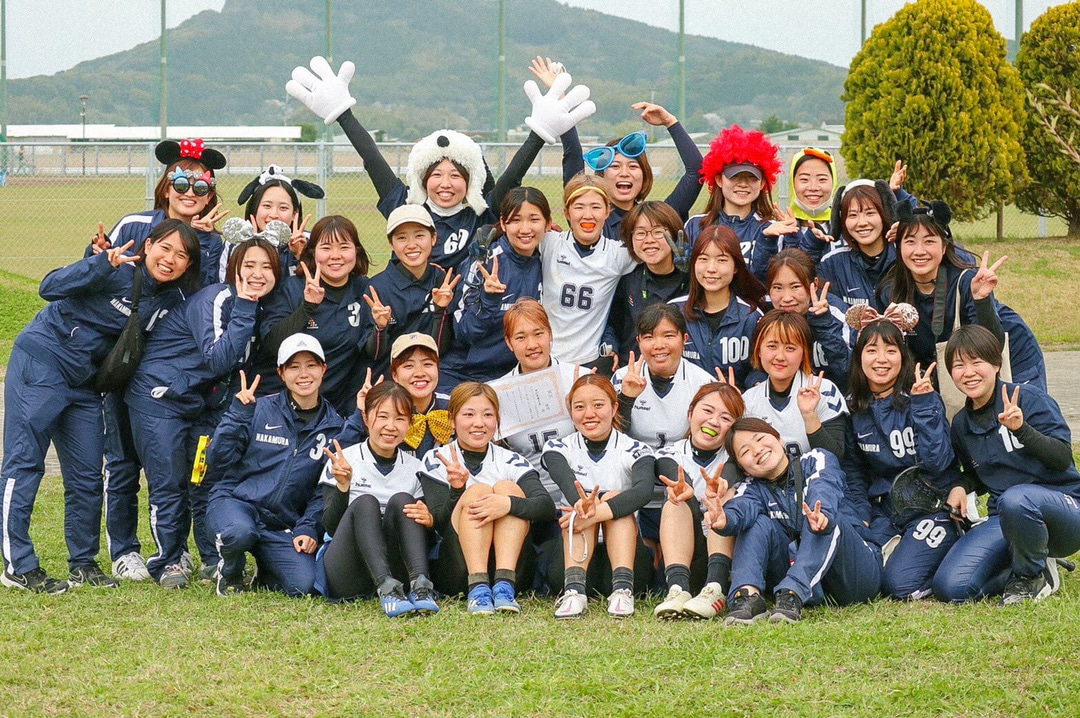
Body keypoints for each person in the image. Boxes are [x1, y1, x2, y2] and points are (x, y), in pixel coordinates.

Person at [1, 220, 201, 593]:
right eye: (165, 248)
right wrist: (99, 264)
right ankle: (18, 567)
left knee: (87, 476)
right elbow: (49, 287)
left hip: (86, 385)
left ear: (188, 265)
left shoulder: (170, 300)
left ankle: (83, 564)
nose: (170, 259)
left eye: (181, 255)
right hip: (43, 363)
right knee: (24, 464)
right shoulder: (115, 268)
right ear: (148, 245)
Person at [286, 55, 594, 273]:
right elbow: (372, 159)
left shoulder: (481, 215)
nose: (446, 184)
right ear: (422, 178)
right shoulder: (406, 208)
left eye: (456, 175)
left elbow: (513, 176)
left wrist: (538, 135)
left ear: (470, 181)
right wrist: (344, 115)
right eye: (436, 174)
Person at [88, 139, 229, 582]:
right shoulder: (135, 224)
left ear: (211, 195)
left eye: (201, 186)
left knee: (177, 466)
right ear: (166, 186)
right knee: (123, 462)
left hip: (172, 374)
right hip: (121, 363)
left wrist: (205, 243)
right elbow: (96, 275)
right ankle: (124, 550)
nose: (190, 192)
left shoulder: (214, 242)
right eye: (181, 182)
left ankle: (176, 552)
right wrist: (95, 254)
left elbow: (209, 301)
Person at [124, 235, 281, 588]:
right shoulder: (219, 298)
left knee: (202, 478)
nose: (257, 274)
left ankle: (211, 558)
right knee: (169, 482)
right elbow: (219, 359)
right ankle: (167, 562)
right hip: (159, 397)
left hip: (198, 404)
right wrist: (244, 306)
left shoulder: (258, 307)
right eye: (249, 265)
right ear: (234, 268)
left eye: (267, 267)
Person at [205, 334, 364, 597]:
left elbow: (322, 491)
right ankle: (231, 571)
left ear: (324, 369)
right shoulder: (257, 408)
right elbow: (217, 460)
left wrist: (308, 527)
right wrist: (236, 415)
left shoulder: (334, 426)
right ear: (281, 373)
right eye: (294, 367)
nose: (304, 374)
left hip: (280, 523)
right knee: (239, 533)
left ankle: (266, 569)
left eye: (311, 365)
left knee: (304, 584)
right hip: (236, 503)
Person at [933, 325, 1080, 604]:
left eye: (977, 362)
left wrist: (1022, 430)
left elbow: (1062, 459)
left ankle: (1032, 576)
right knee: (951, 587)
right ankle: (1031, 564)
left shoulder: (1028, 399)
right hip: (1005, 518)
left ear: (996, 364)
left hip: (1063, 511)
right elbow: (976, 473)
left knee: (1016, 498)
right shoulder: (962, 424)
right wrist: (961, 486)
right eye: (959, 365)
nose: (969, 372)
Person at [705, 418, 882, 624]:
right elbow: (742, 508)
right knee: (755, 523)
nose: (757, 450)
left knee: (821, 518)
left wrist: (822, 513)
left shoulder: (816, 459)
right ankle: (747, 596)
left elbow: (824, 486)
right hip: (800, 571)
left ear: (779, 440)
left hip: (854, 575)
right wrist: (725, 519)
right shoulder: (751, 488)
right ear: (743, 469)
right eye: (745, 451)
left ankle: (793, 592)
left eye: (760, 439)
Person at [843, 312, 962, 599]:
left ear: (903, 356)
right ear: (859, 357)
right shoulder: (854, 406)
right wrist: (862, 515)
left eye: (891, 350)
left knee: (899, 585)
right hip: (886, 511)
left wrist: (924, 405)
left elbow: (938, 462)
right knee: (867, 575)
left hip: (932, 508)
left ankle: (961, 552)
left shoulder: (921, 396)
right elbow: (854, 471)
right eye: (872, 350)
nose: (881, 359)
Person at [877, 200, 1045, 391]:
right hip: (960, 366)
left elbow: (991, 344)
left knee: (1014, 409)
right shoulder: (890, 290)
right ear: (899, 247)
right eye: (910, 241)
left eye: (929, 241)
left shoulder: (967, 281)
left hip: (1014, 357)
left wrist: (981, 300)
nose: (919, 251)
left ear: (944, 247)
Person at [418, 382, 555, 614]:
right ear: (452, 420)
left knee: (507, 488)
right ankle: (478, 588)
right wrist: (458, 490)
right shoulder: (437, 458)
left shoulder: (511, 460)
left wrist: (507, 504)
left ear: (497, 420)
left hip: (513, 568)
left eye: (488, 415)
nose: (479, 423)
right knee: (478, 491)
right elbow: (438, 522)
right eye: (469, 414)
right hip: (459, 569)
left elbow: (546, 506)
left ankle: (504, 587)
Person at [530, 56, 704, 235]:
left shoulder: (659, 218)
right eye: (615, 166)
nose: (624, 173)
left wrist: (670, 122)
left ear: (644, 175)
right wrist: (560, 98)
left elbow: (697, 170)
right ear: (601, 176)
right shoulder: (591, 218)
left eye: (633, 166)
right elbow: (573, 154)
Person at [315, 382, 439, 616]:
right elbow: (331, 526)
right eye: (382, 416)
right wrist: (343, 487)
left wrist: (429, 520)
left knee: (404, 500)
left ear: (410, 423)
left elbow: (424, 537)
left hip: (396, 567)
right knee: (365, 502)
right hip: (349, 569)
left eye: (400, 418)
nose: (390, 426)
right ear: (366, 417)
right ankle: (386, 589)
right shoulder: (344, 460)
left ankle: (421, 586)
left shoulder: (416, 467)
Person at [543, 375, 656, 618]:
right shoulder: (557, 448)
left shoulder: (635, 449)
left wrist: (597, 512)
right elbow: (567, 483)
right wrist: (586, 507)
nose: (589, 414)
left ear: (614, 408)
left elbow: (643, 491)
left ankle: (623, 590)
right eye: (579, 407)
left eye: (598, 405)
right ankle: (574, 592)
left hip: (626, 560)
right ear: (571, 412)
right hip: (574, 557)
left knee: (613, 500)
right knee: (584, 505)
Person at [256, 214, 374, 416]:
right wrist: (307, 308)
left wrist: (381, 328)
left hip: (332, 408)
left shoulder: (365, 290)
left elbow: (372, 352)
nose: (335, 255)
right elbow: (271, 344)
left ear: (357, 251)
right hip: (279, 404)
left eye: (344, 247)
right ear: (313, 252)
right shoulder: (293, 288)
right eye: (326, 248)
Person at [652, 382, 744, 619]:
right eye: (707, 411)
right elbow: (669, 468)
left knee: (724, 498)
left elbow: (733, 469)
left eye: (725, 418)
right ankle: (678, 589)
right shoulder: (669, 453)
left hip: (728, 558)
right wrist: (683, 488)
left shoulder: (739, 456)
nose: (714, 421)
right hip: (687, 555)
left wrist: (723, 483)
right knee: (675, 500)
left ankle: (716, 588)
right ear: (691, 412)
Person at [442, 187, 550, 386]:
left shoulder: (550, 260)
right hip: (466, 374)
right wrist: (488, 300)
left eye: (534, 219)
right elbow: (464, 331)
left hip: (518, 374)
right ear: (503, 223)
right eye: (516, 220)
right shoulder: (484, 262)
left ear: (548, 223)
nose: (525, 229)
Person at [540, 174, 636, 371]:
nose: (588, 215)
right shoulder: (549, 243)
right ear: (567, 212)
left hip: (588, 362)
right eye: (579, 207)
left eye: (596, 207)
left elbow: (656, 255)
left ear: (608, 211)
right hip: (546, 357)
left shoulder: (618, 254)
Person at [365, 205, 459, 382]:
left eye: (419, 235)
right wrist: (380, 328)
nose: (412, 245)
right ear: (391, 244)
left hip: (429, 378)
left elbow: (439, 349)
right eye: (402, 238)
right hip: (389, 381)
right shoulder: (378, 287)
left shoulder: (444, 282)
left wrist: (441, 310)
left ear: (433, 238)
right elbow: (374, 354)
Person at [684, 125, 795, 270]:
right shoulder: (695, 225)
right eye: (734, 176)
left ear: (762, 183)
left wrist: (790, 241)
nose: (743, 184)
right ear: (719, 180)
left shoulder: (773, 230)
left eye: (752, 177)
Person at [741, 310, 849, 459]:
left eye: (790, 348)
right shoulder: (749, 400)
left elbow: (835, 455)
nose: (780, 356)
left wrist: (809, 415)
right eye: (772, 346)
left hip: (818, 473)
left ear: (804, 353)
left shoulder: (824, 390)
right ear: (758, 350)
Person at [671, 225, 766, 388]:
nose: (711, 269)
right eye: (703, 259)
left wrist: (750, 386)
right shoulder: (674, 312)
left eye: (722, 260)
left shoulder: (751, 316)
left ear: (736, 266)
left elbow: (760, 368)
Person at [605, 201, 691, 366]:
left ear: (674, 234)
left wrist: (691, 272)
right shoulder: (626, 278)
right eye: (640, 233)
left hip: (682, 369)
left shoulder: (694, 278)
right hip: (633, 368)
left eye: (658, 232)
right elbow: (613, 323)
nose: (649, 240)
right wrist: (611, 344)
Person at [765, 248, 853, 392]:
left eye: (795, 287)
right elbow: (754, 366)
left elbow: (848, 370)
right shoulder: (765, 313)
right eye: (777, 288)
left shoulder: (836, 312)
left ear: (815, 284)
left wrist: (823, 323)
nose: (787, 298)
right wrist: (757, 380)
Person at [224, 164, 325, 279]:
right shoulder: (235, 242)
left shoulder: (311, 242)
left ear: (294, 213)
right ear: (254, 209)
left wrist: (301, 256)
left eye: (283, 208)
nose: (273, 215)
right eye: (267, 206)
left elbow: (321, 284)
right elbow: (224, 284)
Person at [816, 180, 897, 310]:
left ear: (884, 214)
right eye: (853, 215)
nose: (862, 223)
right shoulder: (832, 264)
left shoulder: (905, 257)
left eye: (870, 213)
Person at [388, 333, 452, 459]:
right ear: (395, 375)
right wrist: (361, 412)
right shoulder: (383, 411)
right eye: (409, 366)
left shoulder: (455, 406)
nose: (419, 373)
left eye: (427, 364)